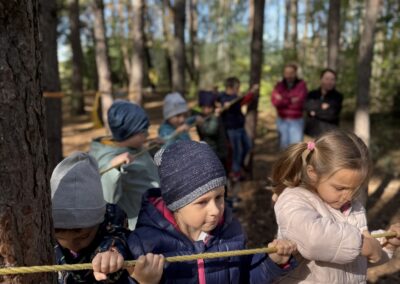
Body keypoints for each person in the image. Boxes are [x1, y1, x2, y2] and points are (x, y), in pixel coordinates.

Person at [128, 141, 297, 284]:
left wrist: (272, 262)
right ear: (175, 204)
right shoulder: (145, 244)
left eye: (219, 197)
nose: (216, 210)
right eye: (202, 202)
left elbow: (244, 277)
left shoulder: (230, 230)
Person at [271, 130, 400, 283]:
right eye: (340, 188)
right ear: (313, 173)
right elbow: (314, 240)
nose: (349, 196)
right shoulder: (293, 200)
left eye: (356, 188)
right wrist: (362, 244)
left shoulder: (352, 206)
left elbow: (354, 260)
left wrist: (386, 244)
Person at [51, 152, 163, 283]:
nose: (73, 245)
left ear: (99, 222)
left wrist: (111, 253)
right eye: (61, 238)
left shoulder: (113, 229)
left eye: (83, 237)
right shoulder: (46, 244)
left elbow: (116, 238)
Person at [90, 100, 160, 229]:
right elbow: (107, 197)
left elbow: (147, 171)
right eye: (143, 131)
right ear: (129, 133)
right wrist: (113, 168)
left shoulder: (134, 147)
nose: (147, 134)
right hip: (138, 224)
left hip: (156, 213)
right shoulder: (107, 158)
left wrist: (155, 149)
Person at [218, 77, 258, 181]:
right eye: (237, 88)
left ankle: (239, 166)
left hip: (240, 128)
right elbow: (222, 103)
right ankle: (235, 172)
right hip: (232, 129)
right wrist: (225, 104)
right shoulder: (223, 97)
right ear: (231, 88)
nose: (238, 90)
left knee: (248, 146)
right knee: (236, 151)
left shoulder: (235, 97)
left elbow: (244, 100)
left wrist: (252, 92)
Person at [271, 64, 308, 149]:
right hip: (282, 120)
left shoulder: (301, 85)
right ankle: (284, 163)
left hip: (296, 121)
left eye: (291, 73)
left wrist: (282, 98)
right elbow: (275, 102)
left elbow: (300, 101)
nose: (289, 75)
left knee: (296, 148)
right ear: (284, 73)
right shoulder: (279, 85)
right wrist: (291, 100)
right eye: (286, 73)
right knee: (283, 147)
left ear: (295, 73)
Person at [304, 68, 343, 137]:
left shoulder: (337, 97)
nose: (329, 82)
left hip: (329, 136)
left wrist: (315, 112)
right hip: (311, 134)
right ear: (321, 79)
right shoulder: (312, 94)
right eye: (327, 79)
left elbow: (331, 115)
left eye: (332, 79)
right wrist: (321, 107)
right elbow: (307, 107)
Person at [196, 90, 228, 166]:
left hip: (220, 149)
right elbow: (210, 131)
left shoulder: (215, 116)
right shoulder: (201, 118)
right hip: (210, 151)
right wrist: (213, 118)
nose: (207, 110)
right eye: (204, 107)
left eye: (209, 107)